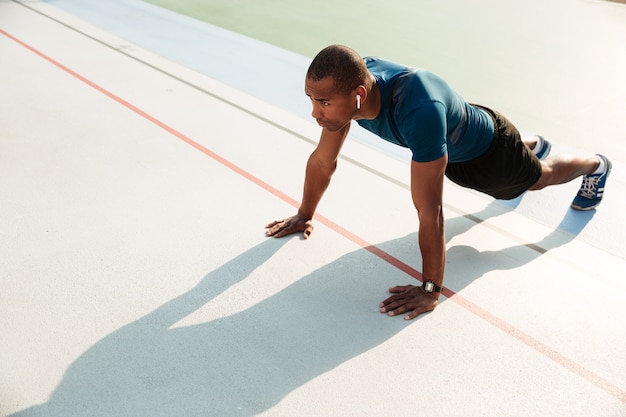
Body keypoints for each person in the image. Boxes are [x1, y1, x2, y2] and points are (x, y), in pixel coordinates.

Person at [265, 44, 612, 320]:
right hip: (452, 136)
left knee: (537, 180)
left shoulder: (417, 112)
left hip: (488, 157)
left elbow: (430, 212)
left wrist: (431, 289)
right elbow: (324, 161)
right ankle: (528, 144)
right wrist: (305, 213)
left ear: (358, 93)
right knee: (462, 150)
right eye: (312, 100)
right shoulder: (354, 89)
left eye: (323, 103)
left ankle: (595, 164)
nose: (315, 112)